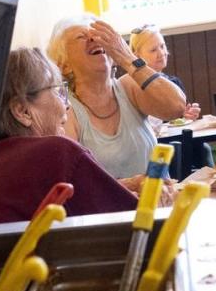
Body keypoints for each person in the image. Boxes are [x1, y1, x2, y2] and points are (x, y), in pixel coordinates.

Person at [0, 48, 138, 225]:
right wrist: (161, 201)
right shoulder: (57, 152)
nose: (68, 105)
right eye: (58, 91)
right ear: (22, 111)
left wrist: (123, 186)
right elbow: (137, 225)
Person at [47, 15, 190, 194]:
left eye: (100, 35)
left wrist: (127, 57)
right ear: (63, 65)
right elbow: (75, 183)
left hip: (162, 209)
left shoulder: (129, 86)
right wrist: (129, 185)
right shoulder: (65, 109)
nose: (94, 39)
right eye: (82, 37)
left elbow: (176, 106)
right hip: (110, 217)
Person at [127, 24, 210, 167]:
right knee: (194, 151)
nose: (161, 53)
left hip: (172, 141)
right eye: (153, 50)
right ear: (137, 55)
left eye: (162, 46)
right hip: (149, 147)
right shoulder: (130, 86)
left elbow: (177, 120)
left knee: (202, 148)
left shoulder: (173, 83)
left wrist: (187, 115)